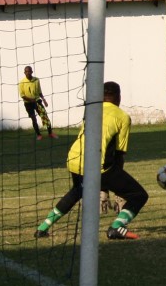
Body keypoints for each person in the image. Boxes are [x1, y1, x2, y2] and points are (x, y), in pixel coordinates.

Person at [34, 81, 148, 240]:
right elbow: (119, 153)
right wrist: (116, 184)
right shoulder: (122, 117)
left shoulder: (91, 110)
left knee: (77, 191)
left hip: (74, 159)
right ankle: (117, 227)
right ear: (118, 97)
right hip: (96, 164)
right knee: (138, 195)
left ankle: (42, 228)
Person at [19, 65, 55, 140]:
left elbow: (39, 91)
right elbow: (22, 95)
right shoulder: (22, 82)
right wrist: (31, 100)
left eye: (29, 71)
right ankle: (39, 135)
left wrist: (44, 100)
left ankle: (50, 133)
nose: (28, 73)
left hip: (37, 102)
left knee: (44, 116)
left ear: (32, 72)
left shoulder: (36, 80)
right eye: (26, 71)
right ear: (24, 73)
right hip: (28, 104)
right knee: (34, 119)